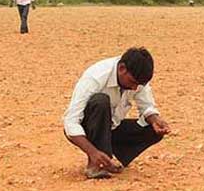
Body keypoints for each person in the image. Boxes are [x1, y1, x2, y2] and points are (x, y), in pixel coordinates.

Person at [62, 48, 171, 180]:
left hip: (112, 126)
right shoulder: (96, 77)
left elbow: (147, 106)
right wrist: (92, 152)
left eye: (139, 85)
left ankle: (108, 159)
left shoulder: (136, 78)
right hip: (88, 127)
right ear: (122, 68)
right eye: (132, 83)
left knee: (153, 129)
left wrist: (155, 119)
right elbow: (70, 121)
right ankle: (95, 163)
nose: (135, 88)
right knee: (100, 101)